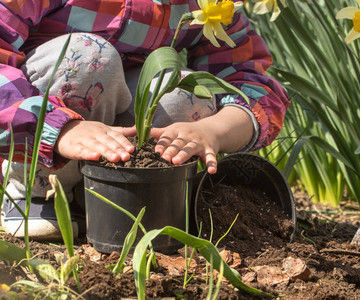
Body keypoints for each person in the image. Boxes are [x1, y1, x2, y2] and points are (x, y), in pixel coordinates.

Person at [0, 0, 290, 240]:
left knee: (187, 92)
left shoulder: (206, 4)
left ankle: (115, 196)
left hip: (119, 117)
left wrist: (212, 129)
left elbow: (249, 80)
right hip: (44, 118)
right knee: (89, 57)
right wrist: (58, 128)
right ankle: (34, 189)